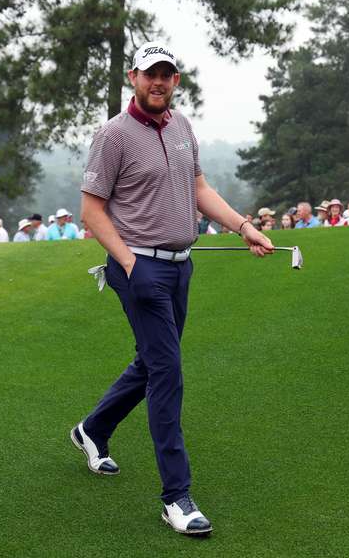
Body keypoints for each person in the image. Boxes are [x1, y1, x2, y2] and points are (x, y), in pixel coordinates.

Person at [73, 41, 273, 537]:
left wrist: (243, 225)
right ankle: (176, 497)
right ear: (132, 78)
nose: (158, 82)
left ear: (175, 80)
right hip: (137, 268)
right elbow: (91, 211)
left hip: (180, 267)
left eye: (166, 74)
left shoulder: (182, 127)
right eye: (149, 74)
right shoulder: (113, 135)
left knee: (151, 360)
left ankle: (92, 429)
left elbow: (199, 189)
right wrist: (128, 262)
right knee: (167, 372)